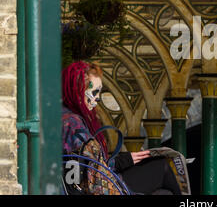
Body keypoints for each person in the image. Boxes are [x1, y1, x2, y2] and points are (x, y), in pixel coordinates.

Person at [62, 61, 190, 195]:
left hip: (96, 184)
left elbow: (88, 164)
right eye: (94, 92)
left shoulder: (65, 119)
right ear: (77, 88)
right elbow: (94, 174)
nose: (98, 98)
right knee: (164, 167)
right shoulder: (73, 124)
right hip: (103, 189)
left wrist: (125, 160)